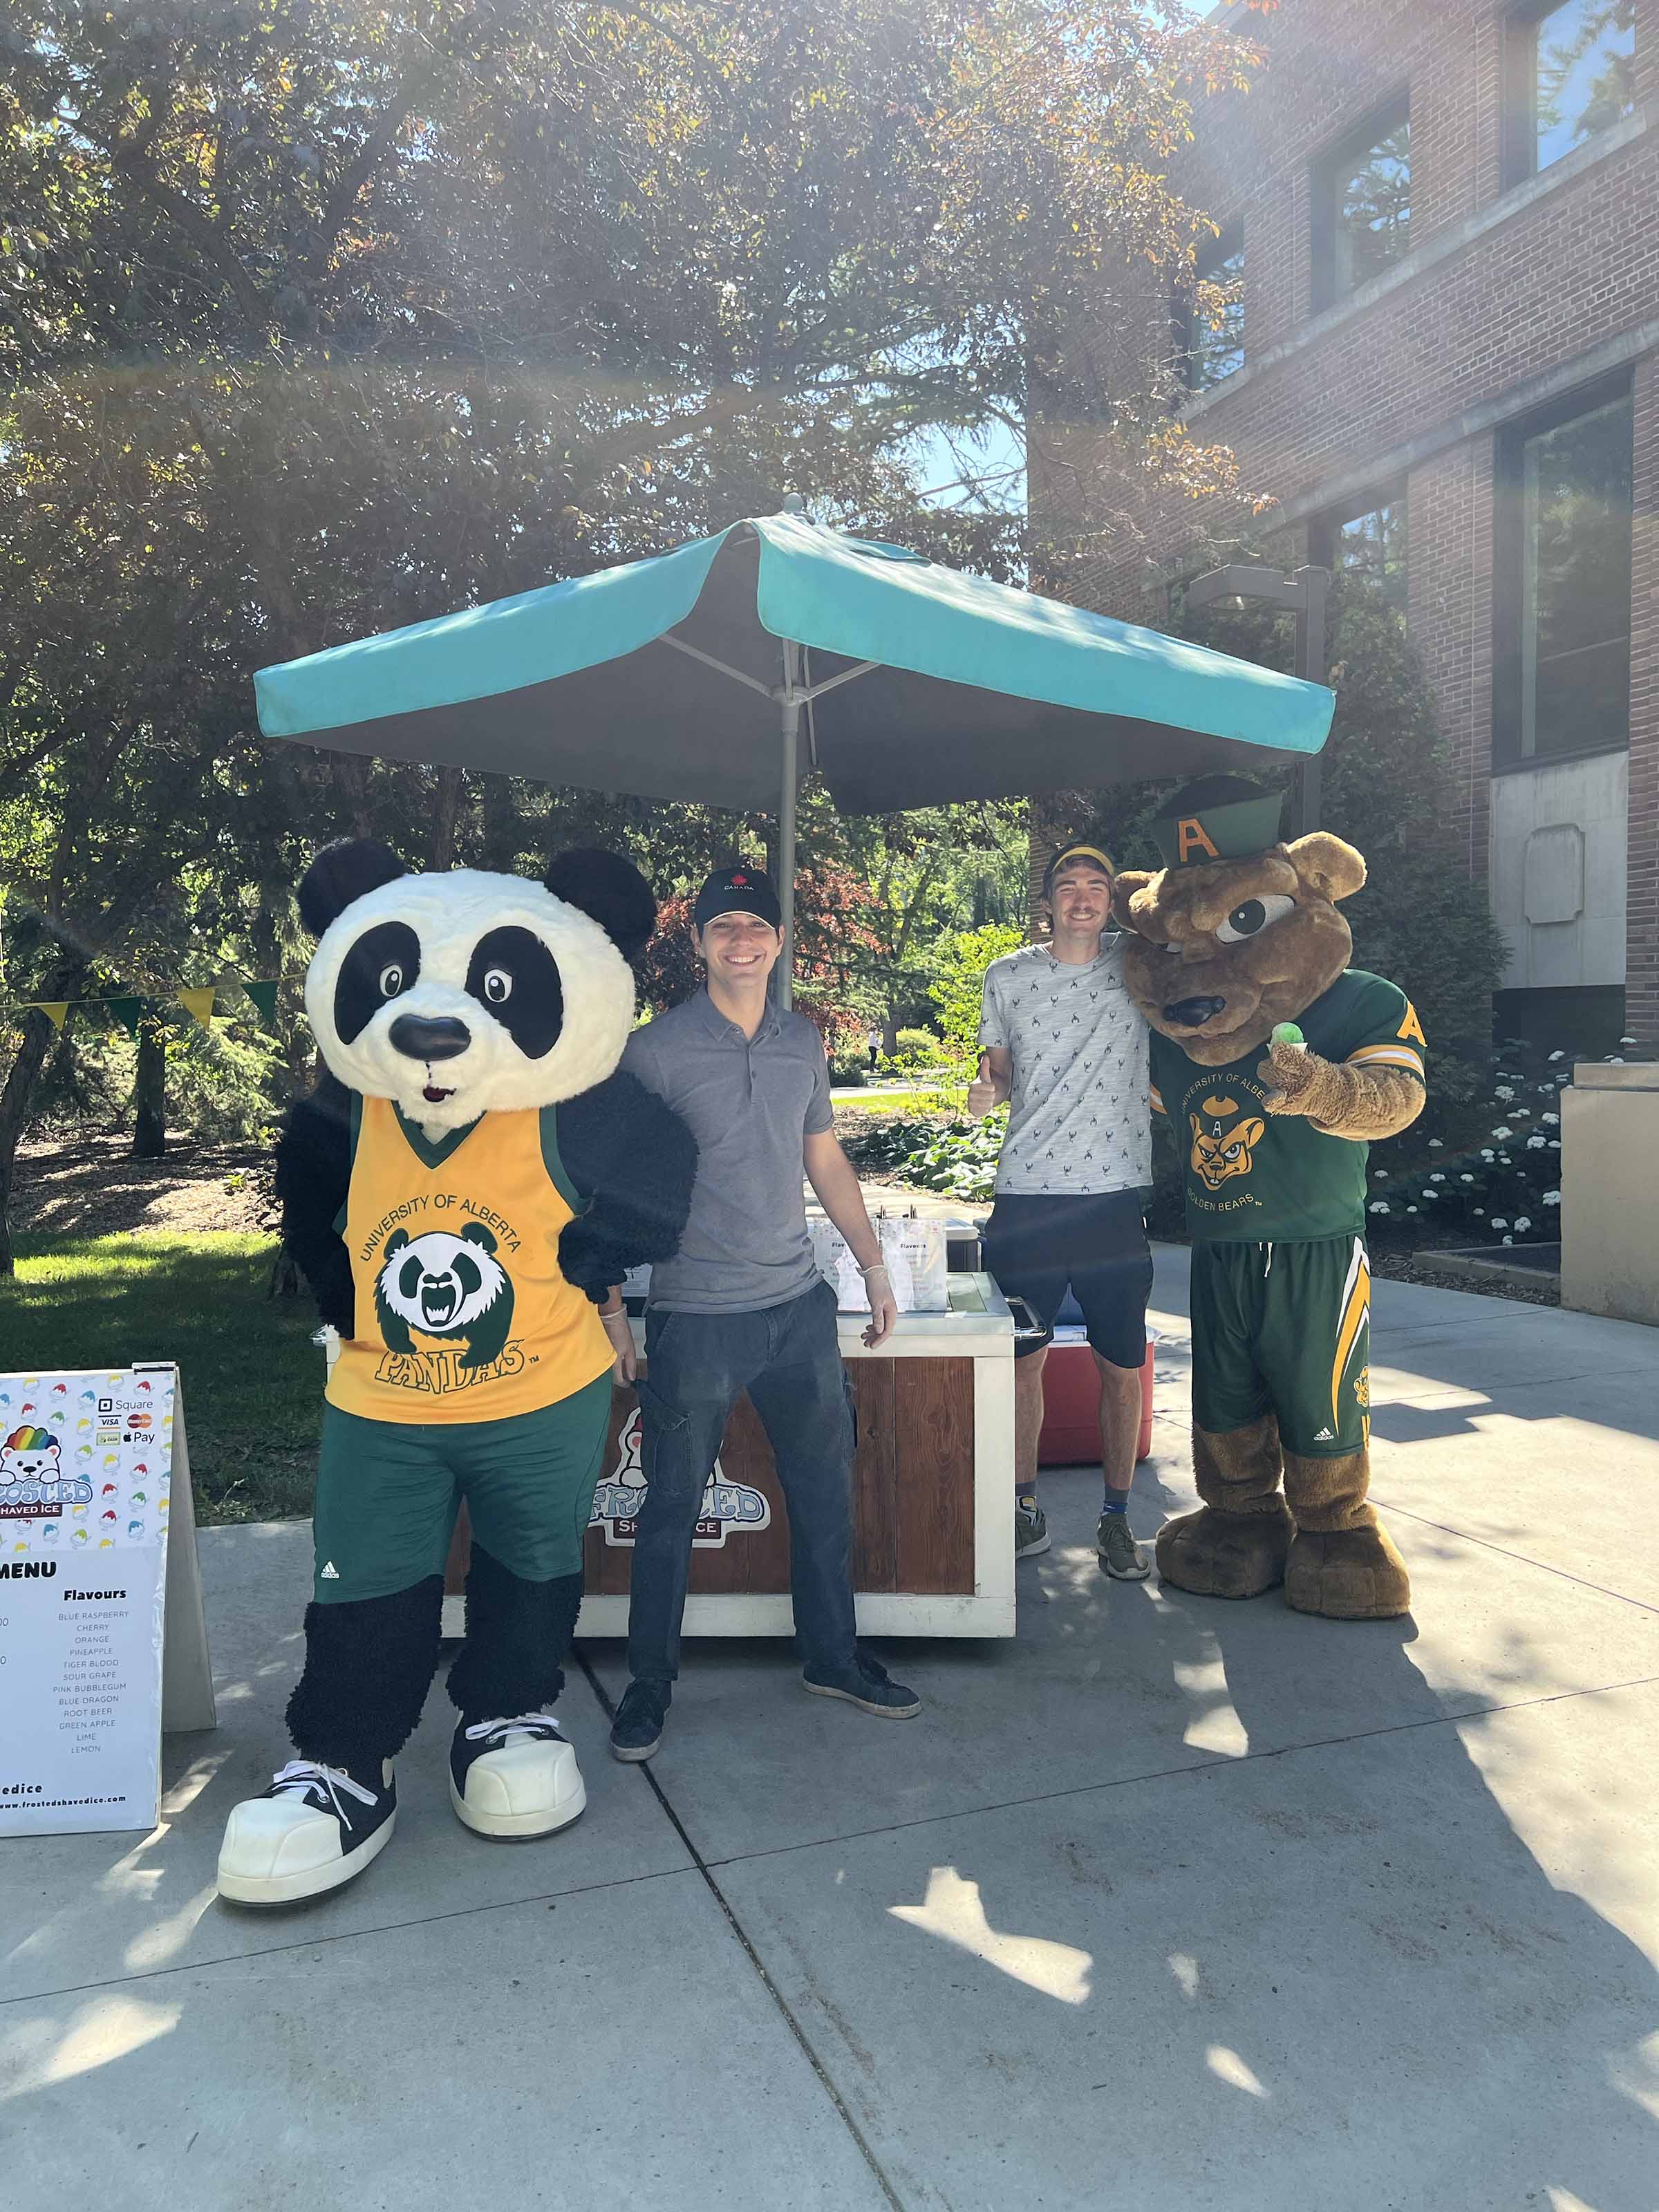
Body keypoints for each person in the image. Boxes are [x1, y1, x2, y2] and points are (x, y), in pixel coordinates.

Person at [607, 864, 921, 1761]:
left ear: (780, 942)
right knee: (667, 1509)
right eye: (723, 927)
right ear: (699, 943)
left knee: (827, 1497)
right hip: (695, 1317)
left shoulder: (803, 1044)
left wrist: (872, 1266)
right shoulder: (655, 1052)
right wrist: (610, 1308)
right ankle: (648, 1689)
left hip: (797, 1308)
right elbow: (609, 1185)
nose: (741, 940)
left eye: (756, 926)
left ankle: (832, 1658)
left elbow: (824, 1160)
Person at [968, 841, 1154, 1579]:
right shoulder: (1006, 975)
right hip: (1028, 1196)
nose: (1082, 897)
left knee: (1121, 1367)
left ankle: (1115, 1519)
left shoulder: (1141, 966)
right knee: (1022, 1363)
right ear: (1048, 900)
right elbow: (1000, 1073)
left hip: (1112, 1198)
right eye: (1068, 886)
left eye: (1096, 886)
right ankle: (1023, 1509)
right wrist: (987, 1093)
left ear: (1112, 898)